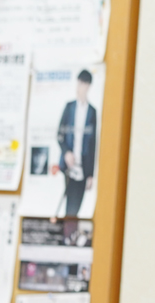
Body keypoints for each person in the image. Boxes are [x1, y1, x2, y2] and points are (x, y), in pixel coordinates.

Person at [56, 69, 97, 218]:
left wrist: (90, 174)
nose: (80, 87)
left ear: (88, 86)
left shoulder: (92, 112)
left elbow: (92, 145)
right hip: (68, 167)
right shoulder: (69, 107)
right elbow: (59, 134)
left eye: (84, 84)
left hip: (83, 168)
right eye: (79, 83)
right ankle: (65, 230)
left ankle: (69, 231)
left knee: (75, 208)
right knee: (66, 206)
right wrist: (66, 152)